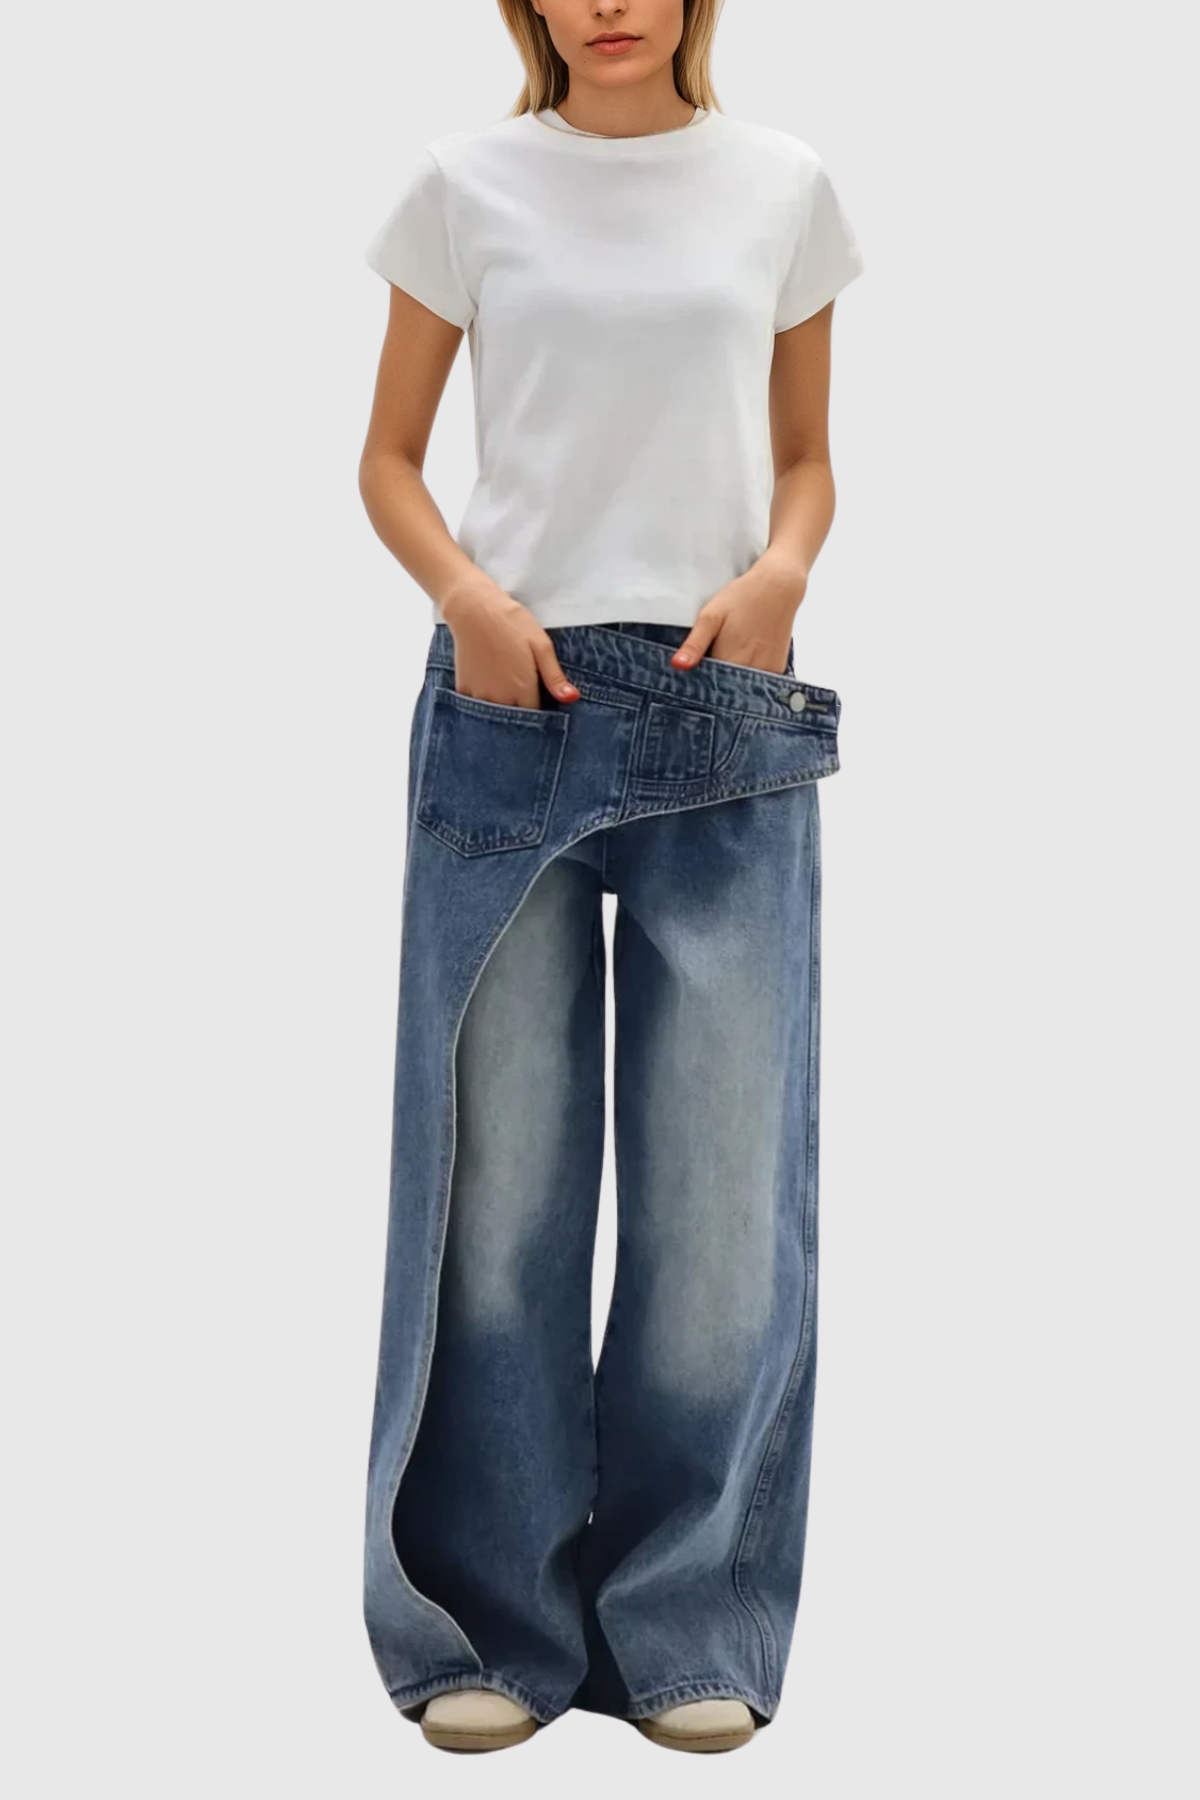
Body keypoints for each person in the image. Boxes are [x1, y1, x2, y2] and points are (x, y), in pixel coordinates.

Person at [357, 0, 863, 1756]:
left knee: (721, 1193)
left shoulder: (782, 186)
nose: (610, 4)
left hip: (725, 693)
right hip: (514, 695)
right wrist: (471, 604)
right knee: (496, 1187)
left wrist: (784, 573)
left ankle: (688, 1620)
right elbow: (388, 460)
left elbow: (806, 461)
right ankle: (489, 1623)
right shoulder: (464, 185)